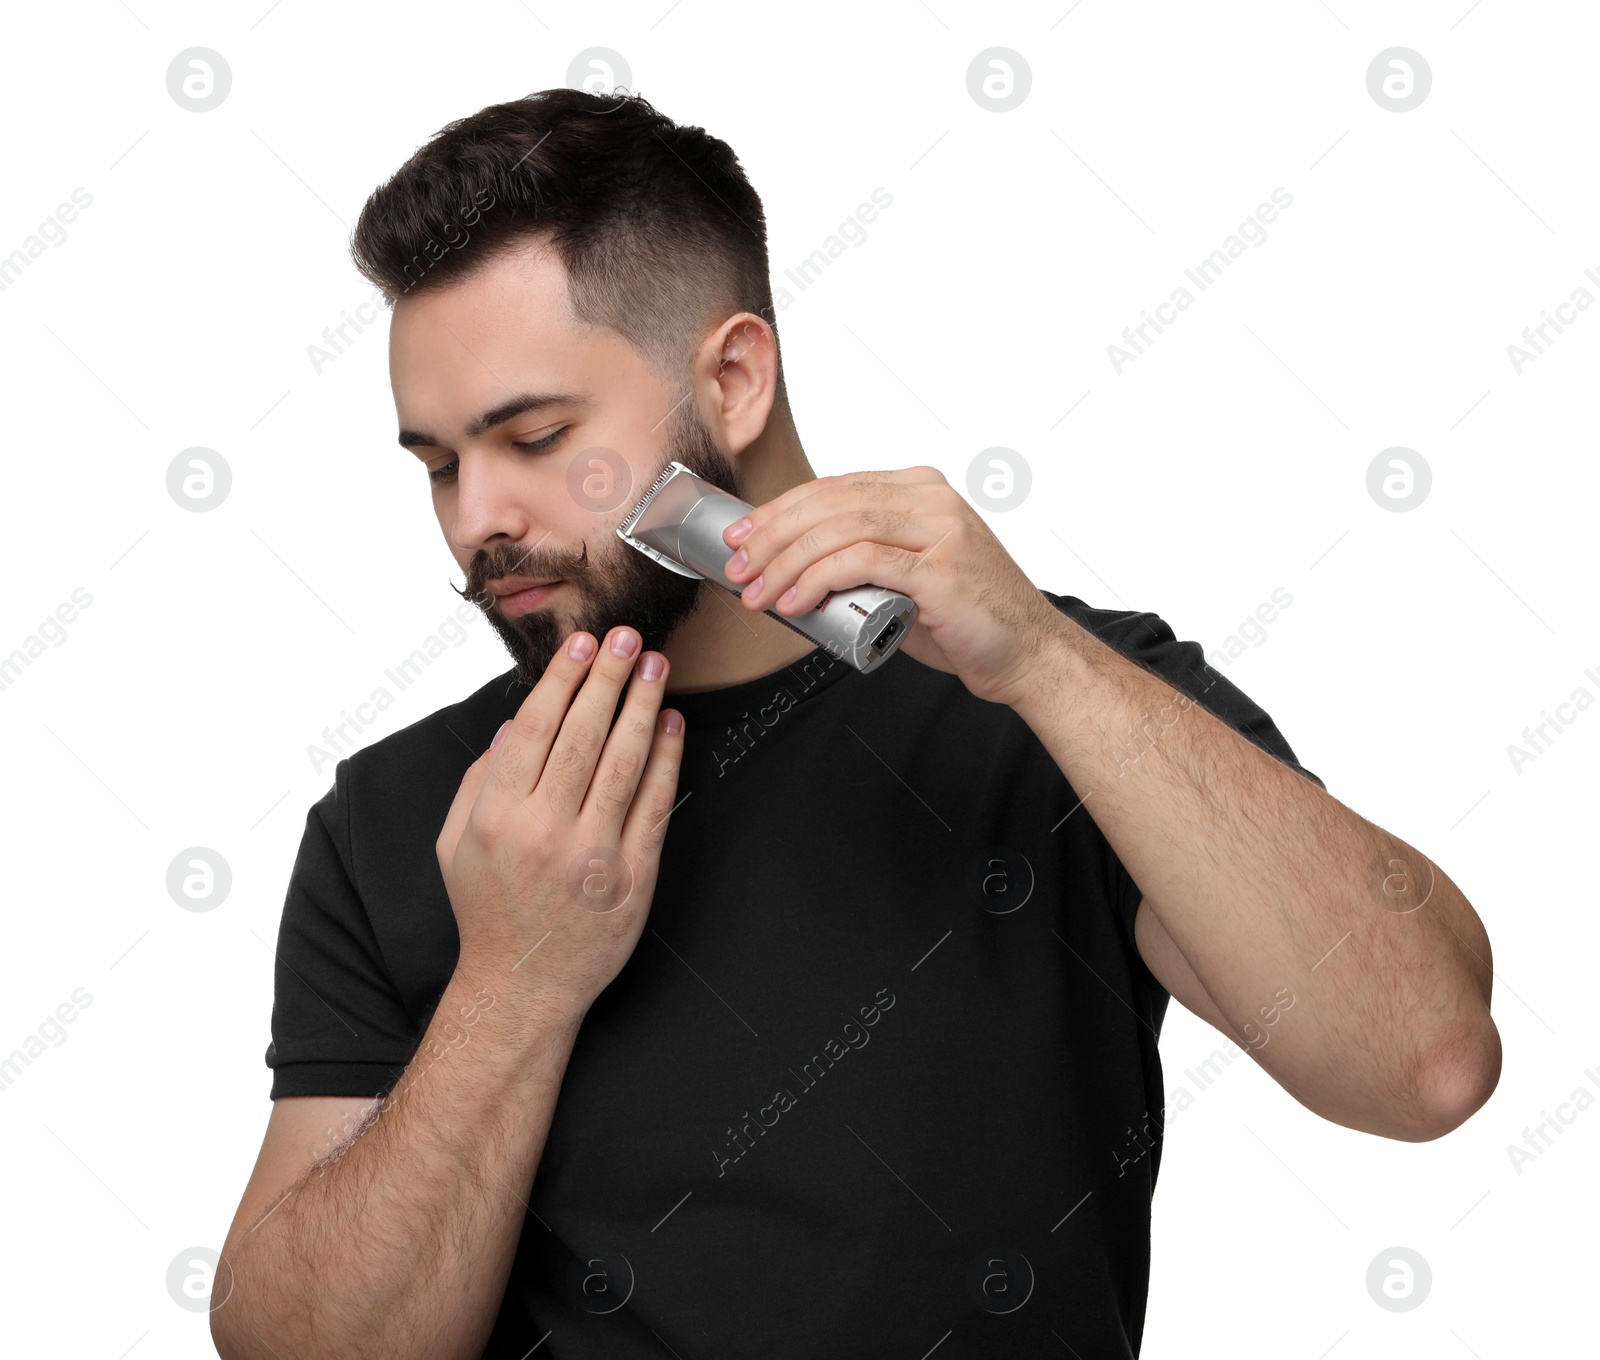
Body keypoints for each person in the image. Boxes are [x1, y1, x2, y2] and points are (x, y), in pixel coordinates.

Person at [213, 89, 1499, 1360]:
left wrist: (1046, 665)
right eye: (438, 463)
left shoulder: (1066, 713)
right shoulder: (404, 817)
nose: (473, 517)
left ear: (731, 377)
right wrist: (509, 984)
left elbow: (1426, 1063)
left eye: (534, 436)